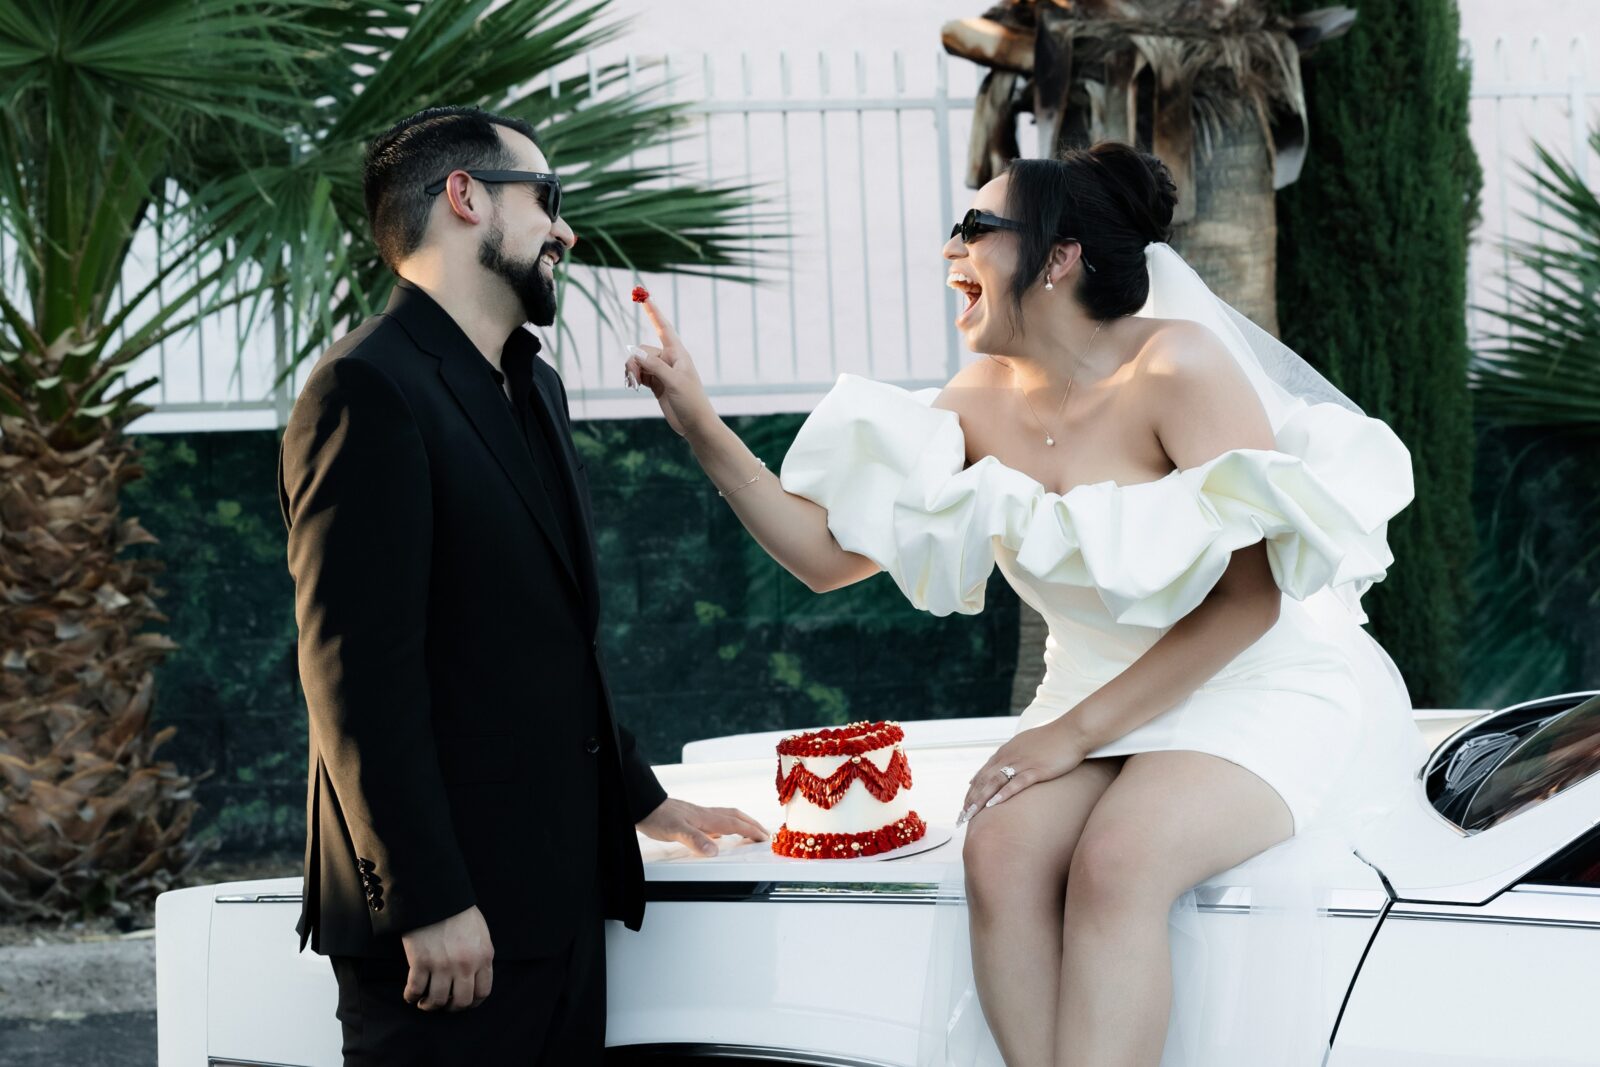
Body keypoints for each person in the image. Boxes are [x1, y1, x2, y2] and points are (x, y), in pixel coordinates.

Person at [624, 140, 1427, 1065]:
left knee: (1120, 861)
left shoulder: (1177, 369)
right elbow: (821, 557)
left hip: (1248, 683)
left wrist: (1070, 736)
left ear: (1057, 257)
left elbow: (1250, 604)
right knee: (999, 852)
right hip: (1088, 692)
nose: (949, 249)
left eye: (975, 228)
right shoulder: (975, 403)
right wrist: (698, 418)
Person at [278, 105, 768, 1066]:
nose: (565, 228)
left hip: (559, 913)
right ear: (464, 198)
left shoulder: (532, 385)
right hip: (446, 938)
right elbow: (354, 676)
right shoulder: (363, 390)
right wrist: (427, 898)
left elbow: (538, 641)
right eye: (547, 199)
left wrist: (643, 799)